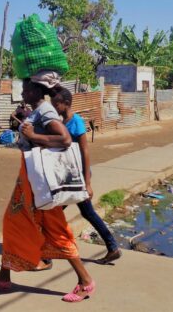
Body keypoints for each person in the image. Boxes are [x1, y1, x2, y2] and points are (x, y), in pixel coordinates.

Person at [0, 78, 95, 302]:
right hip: (28, 181)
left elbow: (64, 138)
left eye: (25, 90)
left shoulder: (45, 110)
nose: (22, 93)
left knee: (55, 230)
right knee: (12, 223)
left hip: (41, 185)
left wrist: (33, 137)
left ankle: (86, 281)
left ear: (35, 91)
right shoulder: (37, 110)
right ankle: (3, 277)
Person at [51, 87, 122, 265]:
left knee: (56, 212)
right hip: (69, 175)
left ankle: (47, 251)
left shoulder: (76, 122)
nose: (54, 106)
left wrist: (87, 183)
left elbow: (85, 150)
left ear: (66, 104)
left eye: (56, 103)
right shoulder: (63, 121)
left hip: (78, 176)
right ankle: (112, 247)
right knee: (82, 212)